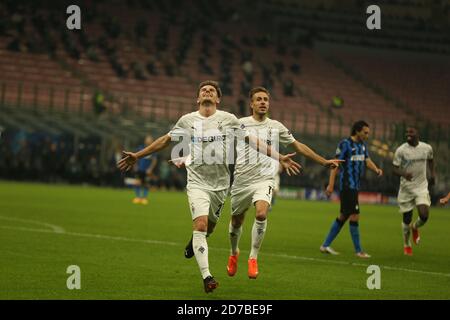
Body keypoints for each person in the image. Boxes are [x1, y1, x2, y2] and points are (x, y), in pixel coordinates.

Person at [117, 81, 301, 293]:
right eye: (203, 90)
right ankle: (207, 277)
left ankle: (194, 242)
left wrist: (280, 157)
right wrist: (138, 156)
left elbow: (253, 141)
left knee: (210, 227)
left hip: (221, 186)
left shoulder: (228, 119)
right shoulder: (187, 120)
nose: (207, 92)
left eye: (212, 91)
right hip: (197, 183)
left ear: (218, 99)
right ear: (198, 98)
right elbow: (165, 141)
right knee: (201, 226)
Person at [226, 87, 343, 279]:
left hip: (265, 179)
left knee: (262, 213)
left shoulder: (276, 126)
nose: (263, 102)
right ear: (251, 104)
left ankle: (253, 258)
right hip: (241, 180)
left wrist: (323, 161)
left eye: (266, 99)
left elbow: (299, 146)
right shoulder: (240, 124)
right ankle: (233, 253)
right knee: (236, 221)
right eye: (259, 99)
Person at [321, 120, 383, 258]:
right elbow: (335, 164)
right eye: (365, 132)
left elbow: (367, 160)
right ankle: (359, 251)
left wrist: (376, 169)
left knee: (344, 215)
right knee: (354, 215)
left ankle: (325, 245)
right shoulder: (345, 144)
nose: (367, 135)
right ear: (357, 131)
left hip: (355, 186)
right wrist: (331, 185)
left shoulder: (362, 145)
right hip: (347, 185)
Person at [392, 126, 435, 256]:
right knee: (407, 218)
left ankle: (415, 227)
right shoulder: (401, 150)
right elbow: (394, 169)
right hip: (406, 189)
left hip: (421, 187)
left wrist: (432, 174)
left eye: (411, 132)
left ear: (418, 133)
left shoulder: (427, 148)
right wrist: (404, 174)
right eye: (407, 132)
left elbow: (431, 160)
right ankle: (406, 244)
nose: (408, 134)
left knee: (424, 215)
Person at [132, 135, 158, 205]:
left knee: (146, 184)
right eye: (147, 139)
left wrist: (150, 169)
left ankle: (144, 198)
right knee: (137, 183)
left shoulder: (153, 149)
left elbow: (154, 160)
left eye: (150, 139)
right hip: (140, 169)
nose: (148, 141)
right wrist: (135, 166)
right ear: (145, 140)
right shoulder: (140, 148)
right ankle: (138, 197)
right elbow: (135, 157)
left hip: (147, 170)